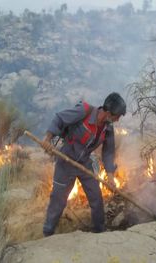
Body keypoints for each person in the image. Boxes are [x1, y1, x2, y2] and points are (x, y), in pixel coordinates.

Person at [41, 92, 126, 236]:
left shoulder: (108, 129)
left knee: (96, 198)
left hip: (84, 163)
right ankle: (48, 233)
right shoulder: (84, 111)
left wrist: (110, 175)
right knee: (58, 200)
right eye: (117, 116)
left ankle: (100, 231)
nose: (117, 120)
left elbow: (108, 153)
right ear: (108, 112)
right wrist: (48, 139)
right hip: (66, 161)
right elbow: (59, 118)